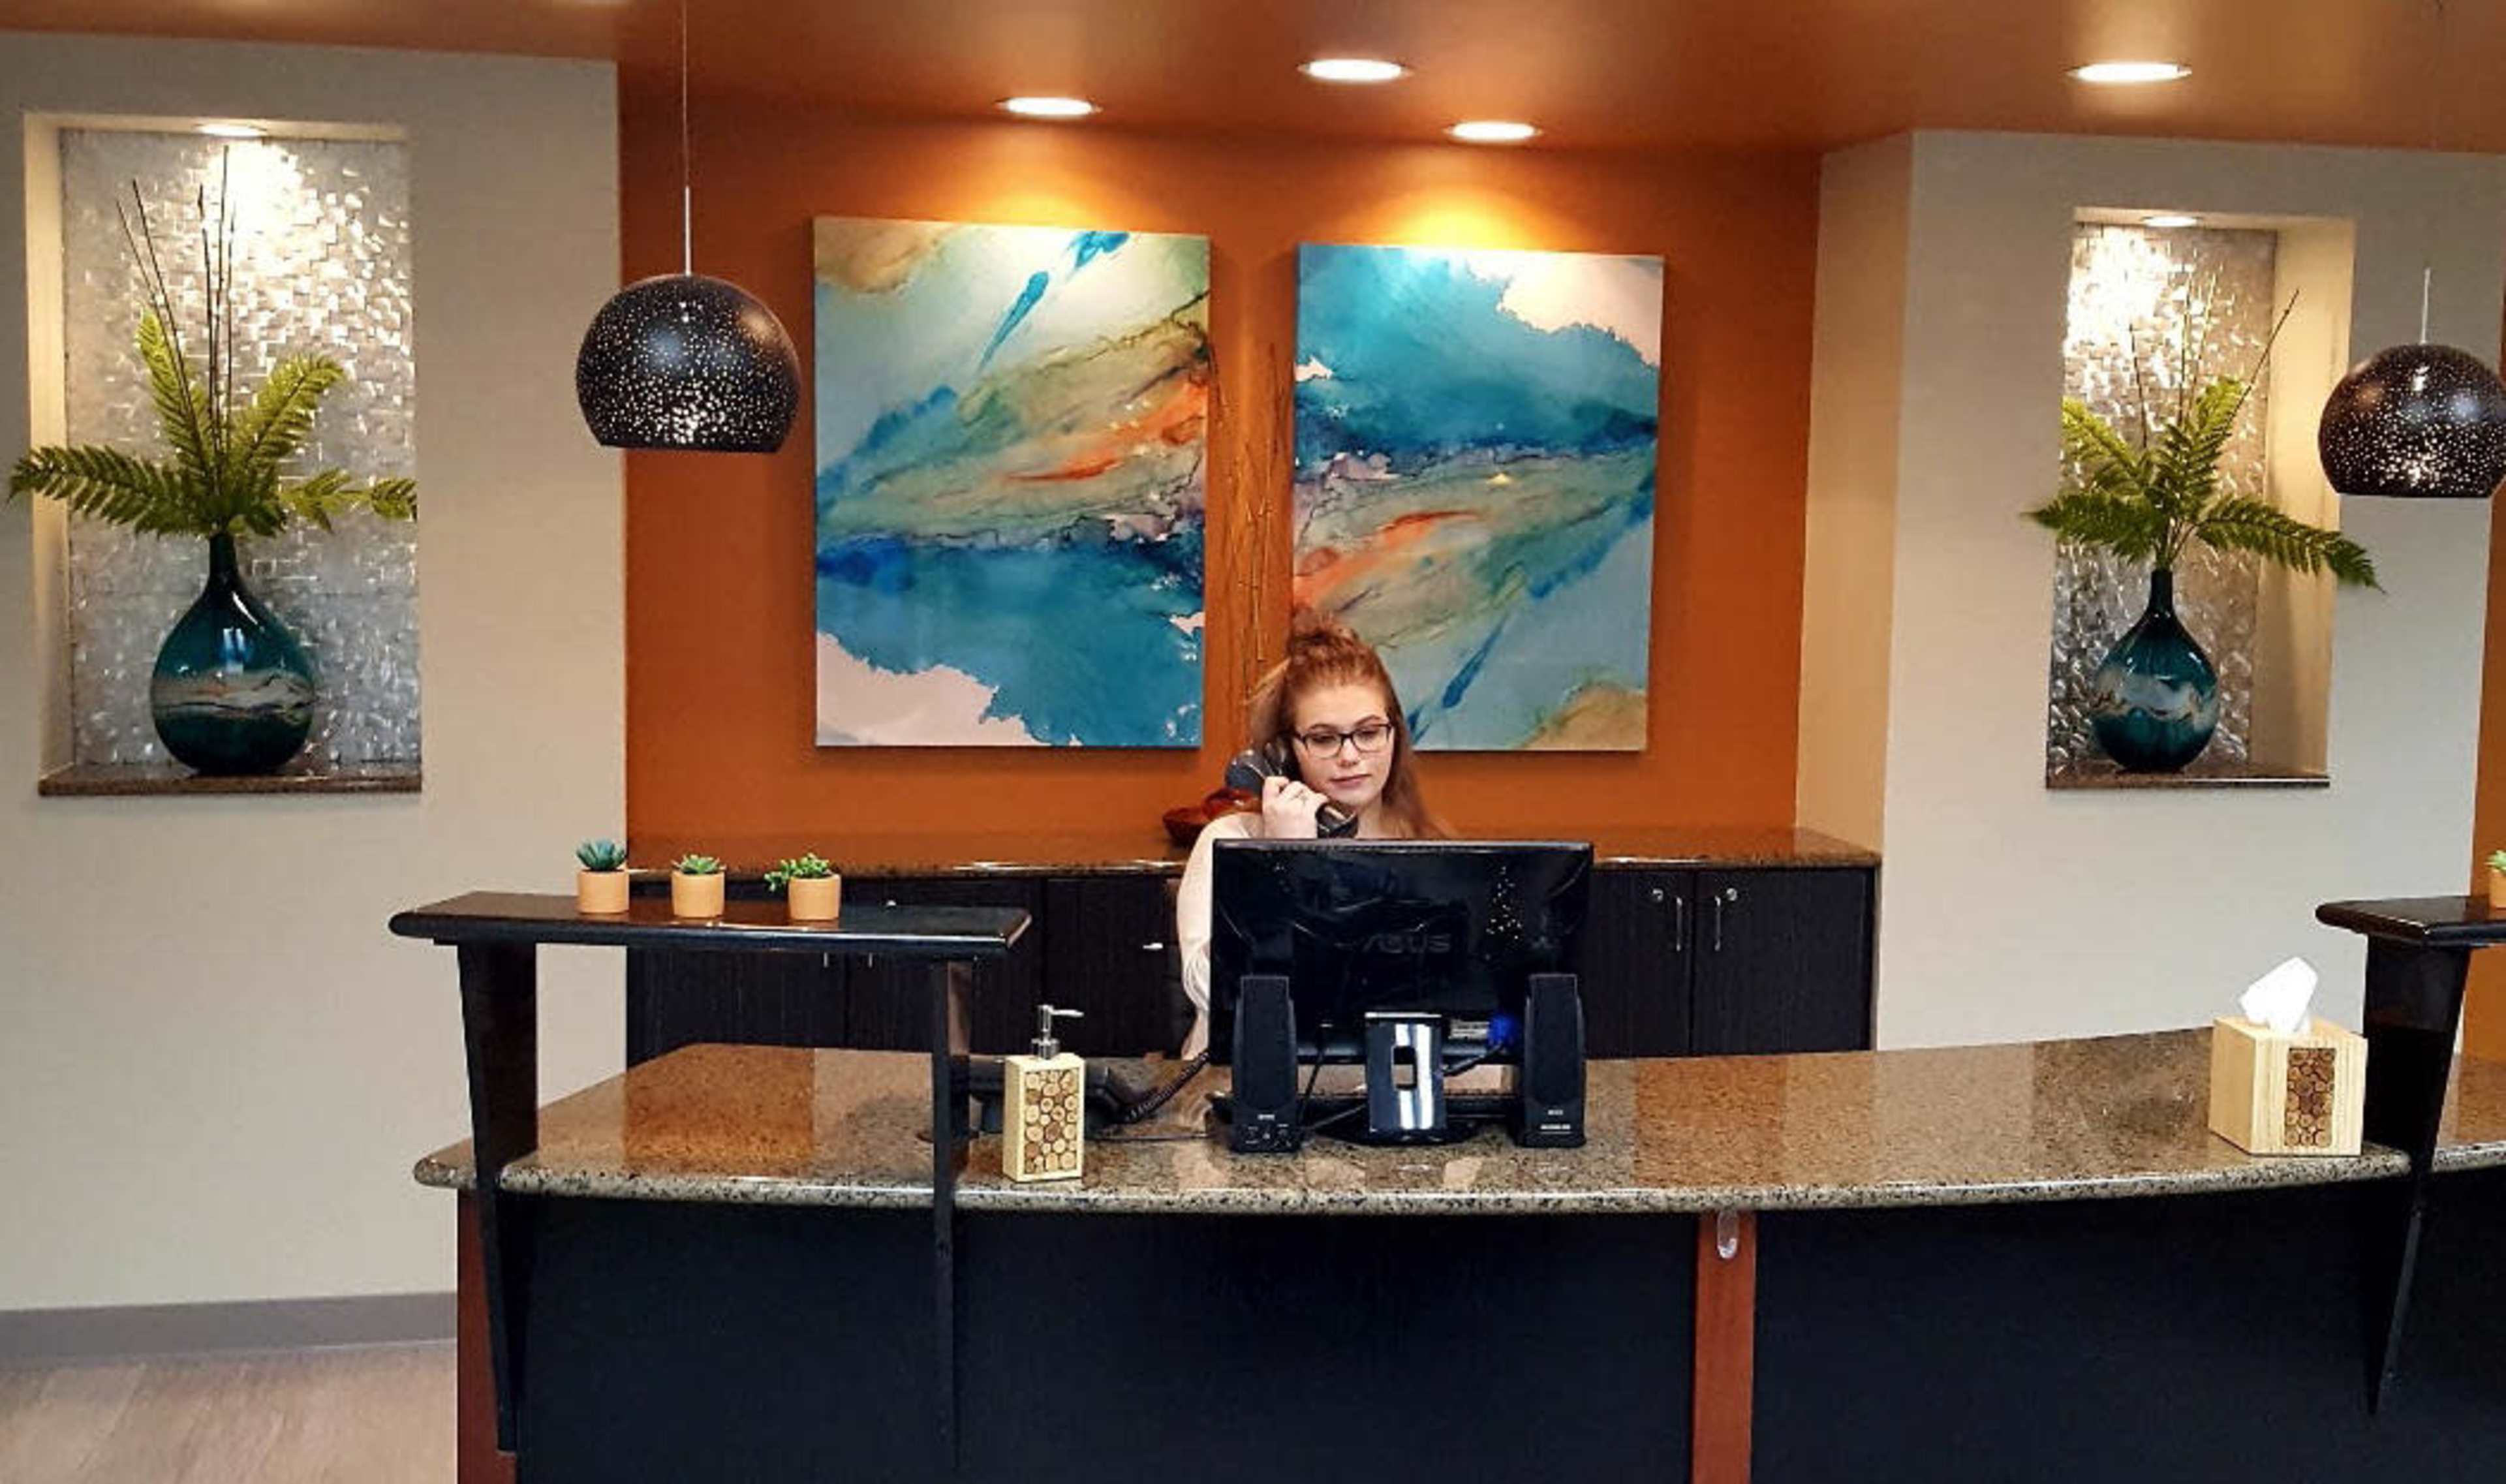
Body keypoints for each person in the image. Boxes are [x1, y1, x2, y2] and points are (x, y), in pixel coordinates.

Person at [1175, 612, 1447, 1056]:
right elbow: (1215, 992)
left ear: (1394, 735)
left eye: (1368, 733)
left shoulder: (1429, 852)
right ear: (1284, 752)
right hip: (1244, 1088)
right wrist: (1286, 862)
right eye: (1323, 739)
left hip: (1374, 1093)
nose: (1350, 756)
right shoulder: (1230, 842)